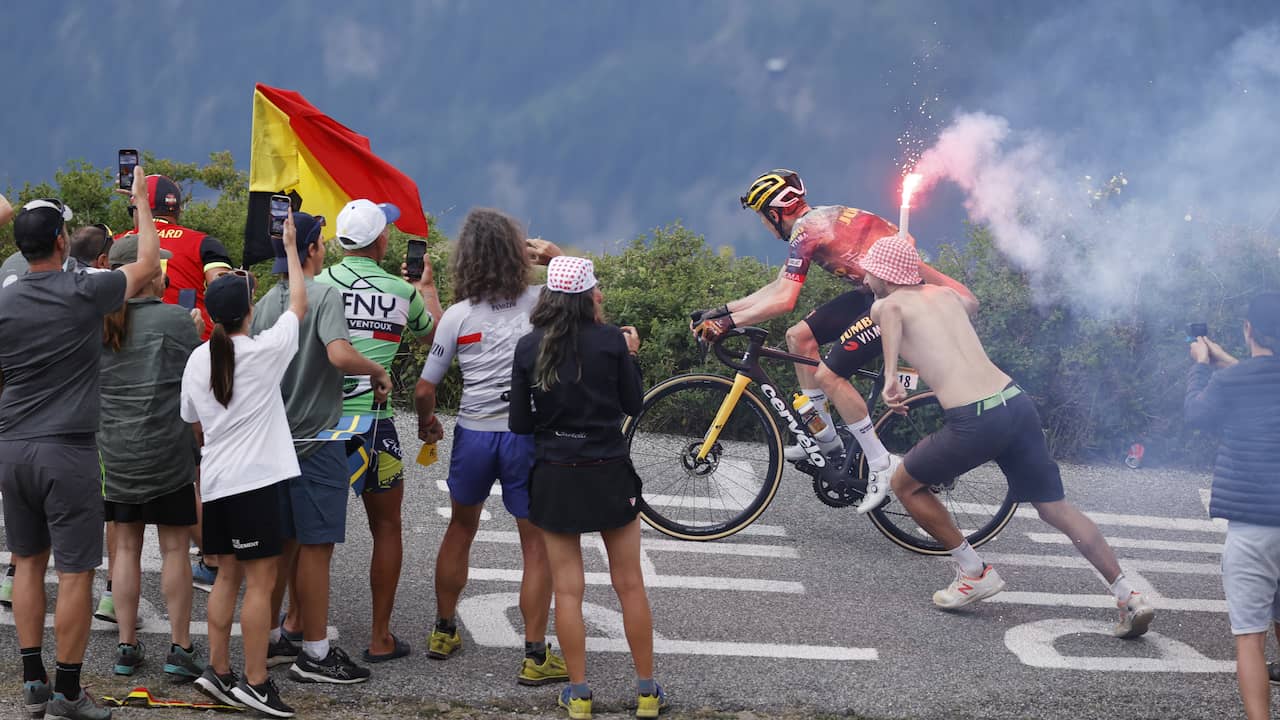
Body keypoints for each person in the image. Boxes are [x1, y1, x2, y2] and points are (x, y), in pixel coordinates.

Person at [857, 235, 1154, 636]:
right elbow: (971, 302)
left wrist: (892, 376)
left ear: (883, 274)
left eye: (869, 268)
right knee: (1055, 508)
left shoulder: (885, 304)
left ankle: (973, 570)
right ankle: (1128, 595)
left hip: (975, 419)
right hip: (1015, 403)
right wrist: (916, 268)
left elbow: (890, 309)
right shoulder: (944, 296)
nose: (863, 274)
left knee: (904, 483)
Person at [693, 169, 975, 513]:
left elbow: (784, 300)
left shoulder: (806, 230)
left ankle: (882, 464)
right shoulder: (818, 218)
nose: (764, 227)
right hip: (874, 291)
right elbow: (779, 286)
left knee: (829, 375)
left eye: (762, 218)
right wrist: (720, 312)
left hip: (901, 303)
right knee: (798, 337)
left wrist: (727, 323)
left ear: (774, 212)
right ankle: (826, 441)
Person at [0, 169, 163, 720]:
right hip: (66, 448)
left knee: (26, 563)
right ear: (62, 243)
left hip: (12, 444)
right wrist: (141, 204)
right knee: (75, 571)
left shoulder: (5, 299)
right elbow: (148, 266)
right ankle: (68, 691)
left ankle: (31, 682)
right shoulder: (84, 289)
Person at [510, 256, 666, 720]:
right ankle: (646, 693)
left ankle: (578, 695)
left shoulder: (527, 346)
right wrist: (631, 356)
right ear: (586, 295)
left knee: (569, 589)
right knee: (630, 584)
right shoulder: (611, 342)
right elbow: (633, 403)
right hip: (609, 470)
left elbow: (520, 422)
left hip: (556, 474)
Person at [414, 208, 566, 683]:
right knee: (535, 544)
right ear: (515, 253)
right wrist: (557, 256)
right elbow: (592, 299)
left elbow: (424, 390)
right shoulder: (541, 300)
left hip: (474, 434)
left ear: (469, 260)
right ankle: (535, 655)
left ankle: (443, 629)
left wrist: (427, 424)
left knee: (461, 529)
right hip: (526, 434)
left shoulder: (458, 316)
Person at [251, 211, 391, 683]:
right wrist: (375, 370)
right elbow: (337, 354)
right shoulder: (324, 294)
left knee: (280, 546)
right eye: (321, 242)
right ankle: (315, 653)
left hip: (274, 442)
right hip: (317, 439)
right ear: (309, 250)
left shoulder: (268, 302)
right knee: (316, 547)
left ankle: (272, 639)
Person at [181, 212, 306, 718]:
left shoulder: (197, 359)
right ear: (249, 310)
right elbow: (299, 303)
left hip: (216, 482)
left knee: (226, 578)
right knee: (261, 582)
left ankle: (219, 670)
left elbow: (195, 425)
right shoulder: (264, 351)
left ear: (211, 316)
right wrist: (292, 248)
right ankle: (255, 683)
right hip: (256, 483)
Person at [316, 198, 441, 659]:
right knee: (387, 527)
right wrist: (426, 287)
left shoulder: (315, 283)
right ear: (381, 240)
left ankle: (293, 626)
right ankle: (379, 637)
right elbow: (434, 337)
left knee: (308, 531)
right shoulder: (400, 291)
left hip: (319, 422)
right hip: (374, 424)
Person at [118, 173, 234, 591]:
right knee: (199, 467)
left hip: (127, 365)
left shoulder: (121, 242)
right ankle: (212, 555)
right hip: (193, 363)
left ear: (137, 206)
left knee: (122, 486)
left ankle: (116, 587)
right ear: (178, 205)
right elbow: (224, 294)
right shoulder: (205, 242)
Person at [98, 235, 206, 680]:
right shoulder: (176, 319)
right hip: (167, 451)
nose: (163, 271)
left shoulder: (98, 322)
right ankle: (180, 648)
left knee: (125, 547)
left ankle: (127, 646)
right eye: (158, 266)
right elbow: (197, 375)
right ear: (144, 274)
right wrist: (196, 331)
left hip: (117, 453)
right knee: (175, 548)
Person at [1184, 293, 1280, 720]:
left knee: (1250, 640)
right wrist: (1226, 363)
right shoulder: (1243, 378)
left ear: (1248, 330)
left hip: (1252, 527)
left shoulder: (1231, 382)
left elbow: (1196, 414)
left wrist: (1202, 366)